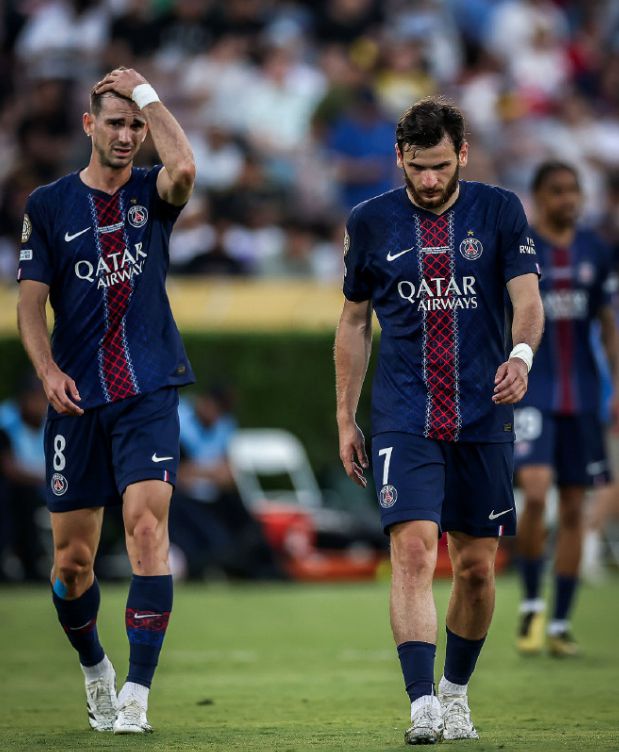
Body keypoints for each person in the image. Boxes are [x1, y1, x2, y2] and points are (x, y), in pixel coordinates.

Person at [334, 96, 544, 744]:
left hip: (483, 413)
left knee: (475, 568)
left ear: (463, 155)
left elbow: (527, 299)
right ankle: (422, 703)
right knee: (414, 550)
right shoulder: (370, 221)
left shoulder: (499, 211)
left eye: (441, 166)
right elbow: (353, 322)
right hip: (404, 414)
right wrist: (345, 416)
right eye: (417, 166)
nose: (429, 180)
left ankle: (455, 692)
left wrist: (519, 355)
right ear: (398, 157)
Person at [16, 67, 196, 734]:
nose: (126, 135)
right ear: (90, 125)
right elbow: (30, 304)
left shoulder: (154, 192)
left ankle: (137, 695)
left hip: (148, 390)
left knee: (147, 530)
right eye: (115, 123)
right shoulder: (49, 205)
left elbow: (186, 166)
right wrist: (46, 369)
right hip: (78, 402)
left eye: (136, 125)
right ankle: (96, 669)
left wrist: (149, 93)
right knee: (72, 564)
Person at [513, 161, 619, 656]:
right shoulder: (520, 247)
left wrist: (616, 385)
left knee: (575, 506)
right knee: (536, 494)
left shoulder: (596, 249)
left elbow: (608, 324)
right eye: (557, 191)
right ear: (538, 197)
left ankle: (559, 623)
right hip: (534, 390)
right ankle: (532, 603)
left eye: (573, 190)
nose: (568, 199)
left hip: (583, 393)